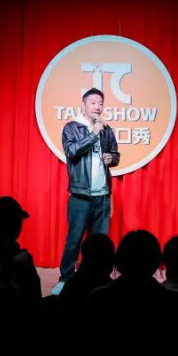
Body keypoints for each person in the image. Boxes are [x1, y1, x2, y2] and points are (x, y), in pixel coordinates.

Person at [55, 88, 119, 292]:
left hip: (103, 195)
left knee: (100, 242)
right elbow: (72, 152)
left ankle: (99, 279)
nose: (97, 107)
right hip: (80, 195)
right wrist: (93, 134)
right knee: (74, 240)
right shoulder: (71, 128)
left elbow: (116, 154)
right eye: (93, 103)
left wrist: (111, 158)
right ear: (83, 105)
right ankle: (65, 279)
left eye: (100, 103)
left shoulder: (106, 129)